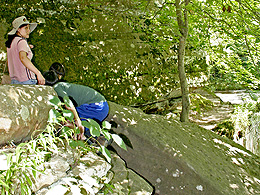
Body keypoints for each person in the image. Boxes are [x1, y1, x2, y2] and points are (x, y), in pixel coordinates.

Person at [5, 16, 45, 85]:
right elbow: (23, 58)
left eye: (29, 28)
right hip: (26, 80)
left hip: (14, 81)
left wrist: (27, 47)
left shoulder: (11, 42)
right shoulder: (21, 41)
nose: (29, 30)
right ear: (18, 29)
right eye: (26, 28)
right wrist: (38, 73)